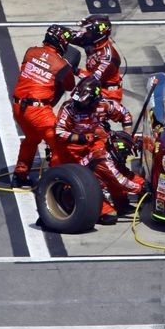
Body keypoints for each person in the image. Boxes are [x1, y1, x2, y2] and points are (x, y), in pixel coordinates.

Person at [55, 75, 140, 224]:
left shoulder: (105, 105)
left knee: (111, 169)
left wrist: (127, 138)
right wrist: (80, 138)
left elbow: (126, 116)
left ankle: (122, 201)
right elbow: (59, 132)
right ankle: (102, 208)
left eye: (85, 101)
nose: (79, 104)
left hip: (96, 145)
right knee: (84, 181)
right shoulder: (68, 108)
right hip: (71, 150)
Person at [9, 25, 78, 188]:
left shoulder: (30, 51)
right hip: (38, 111)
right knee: (59, 143)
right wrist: (69, 68)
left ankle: (20, 174)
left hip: (19, 108)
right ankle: (54, 182)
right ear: (62, 43)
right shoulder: (62, 65)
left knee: (31, 138)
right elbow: (69, 86)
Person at [72, 15, 124, 101]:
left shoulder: (109, 59)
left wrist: (74, 70)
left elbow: (93, 79)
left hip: (107, 95)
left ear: (97, 35)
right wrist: (57, 32)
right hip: (91, 89)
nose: (85, 34)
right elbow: (69, 35)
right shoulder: (92, 42)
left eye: (88, 32)